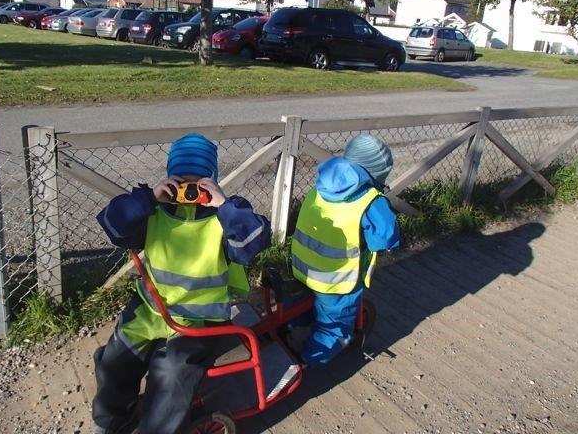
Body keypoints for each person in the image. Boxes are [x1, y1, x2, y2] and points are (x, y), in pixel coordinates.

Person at [92, 133, 271, 434]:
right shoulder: (153, 210)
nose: (188, 192)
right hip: (152, 308)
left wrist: (223, 205)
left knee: (172, 372)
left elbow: (254, 243)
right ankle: (110, 422)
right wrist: (149, 199)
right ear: (168, 177)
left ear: (211, 180)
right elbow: (113, 224)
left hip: (201, 319)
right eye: (181, 183)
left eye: (197, 184)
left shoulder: (225, 215)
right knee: (114, 359)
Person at [291, 134, 400, 366]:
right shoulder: (371, 200)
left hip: (303, 264)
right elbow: (384, 238)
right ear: (376, 173)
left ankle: (291, 323)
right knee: (335, 323)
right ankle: (310, 359)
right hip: (337, 279)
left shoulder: (323, 184)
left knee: (305, 299)